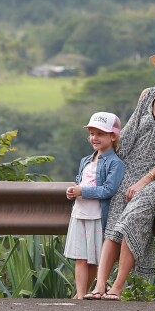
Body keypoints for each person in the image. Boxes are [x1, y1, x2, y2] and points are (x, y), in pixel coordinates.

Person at [84, 40, 155, 301]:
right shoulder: (148, 94)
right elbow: (128, 134)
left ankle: (118, 286)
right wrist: (101, 161)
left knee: (134, 214)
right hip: (131, 166)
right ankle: (99, 286)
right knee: (114, 218)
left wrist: (145, 180)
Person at [64, 112, 125, 299]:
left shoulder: (116, 163)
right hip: (79, 213)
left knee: (93, 259)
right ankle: (80, 295)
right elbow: (81, 182)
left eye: (100, 134)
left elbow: (108, 190)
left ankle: (86, 293)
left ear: (113, 136)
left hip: (97, 216)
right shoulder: (85, 161)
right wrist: (73, 191)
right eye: (92, 133)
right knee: (80, 258)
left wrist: (83, 192)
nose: (94, 138)